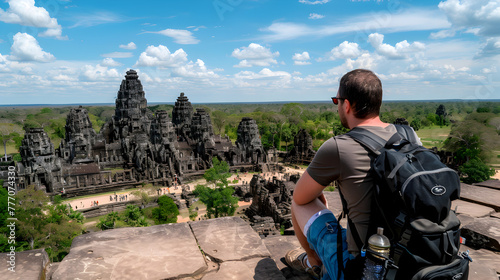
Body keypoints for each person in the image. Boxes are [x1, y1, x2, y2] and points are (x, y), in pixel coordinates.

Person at [285, 69, 419, 279]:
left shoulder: (339, 146)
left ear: (346, 104)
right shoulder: (409, 136)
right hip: (413, 259)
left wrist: (322, 203)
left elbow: (301, 197)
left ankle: (313, 261)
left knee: (298, 202)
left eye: (336, 100)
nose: (337, 106)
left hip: (366, 268)